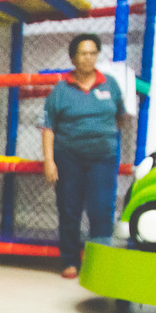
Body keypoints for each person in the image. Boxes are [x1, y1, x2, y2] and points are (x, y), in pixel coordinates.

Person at [41, 33, 126, 278]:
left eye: (92, 53)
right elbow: (48, 126)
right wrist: (49, 161)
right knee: (69, 209)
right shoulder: (60, 90)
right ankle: (70, 261)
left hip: (103, 159)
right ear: (73, 58)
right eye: (82, 53)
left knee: (102, 210)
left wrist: (100, 135)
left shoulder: (110, 84)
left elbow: (120, 117)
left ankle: (99, 262)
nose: (88, 58)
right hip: (68, 159)